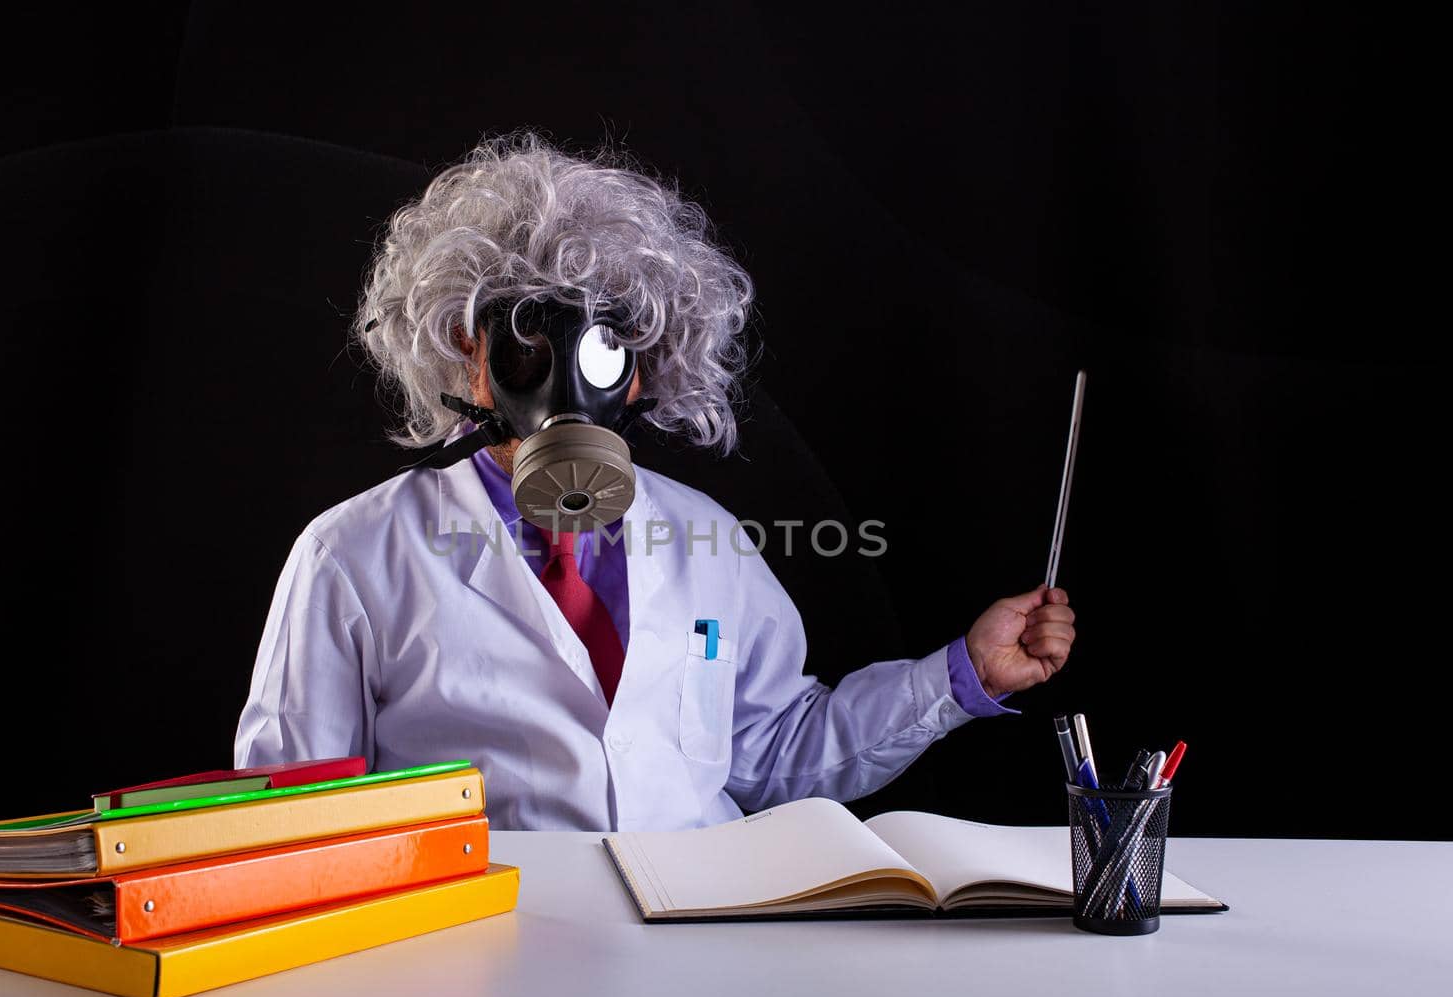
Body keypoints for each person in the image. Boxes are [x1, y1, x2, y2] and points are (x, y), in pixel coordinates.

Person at [232, 130, 1076, 831]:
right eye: (527, 339)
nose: (566, 379)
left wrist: (968, 672)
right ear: (466, 354)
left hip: (693, 951)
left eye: (604, 347)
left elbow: (777, 752)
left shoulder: (708, 540)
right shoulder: (351, 555)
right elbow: (295, 813)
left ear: (645, 369)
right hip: (476, 958)